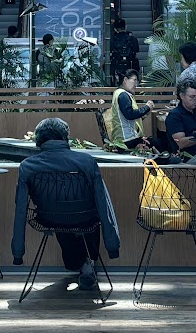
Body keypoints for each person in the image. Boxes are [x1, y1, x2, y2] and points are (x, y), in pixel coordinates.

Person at [10, 117, 120, 292]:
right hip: (86, 218)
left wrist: (18, 253)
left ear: (39, 139)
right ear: (65, 137)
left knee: (60, 208)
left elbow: (20, 210)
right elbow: (102, 203)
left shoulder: (27, 166)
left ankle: (76, 263)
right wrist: (112, 247)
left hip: (48, 219)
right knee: (88, 209)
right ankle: (88, 263)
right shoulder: (87, 161)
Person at [101, 69, 152, 151]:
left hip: (124, 138)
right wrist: (146, 107)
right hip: (127, 139)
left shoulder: (120, 93)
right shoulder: (123, 95)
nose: (136, 84)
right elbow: (130, 114)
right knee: (157, 143)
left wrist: (145, 113)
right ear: (125, 80)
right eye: (134, 80)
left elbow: (129, 118)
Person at [108, 16, 140, 82]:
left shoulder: (112, 40)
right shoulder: (133, 39)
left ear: (115, 29)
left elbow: (110, 51)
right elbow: (136, 50)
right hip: (131, 65)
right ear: (125, 27)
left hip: (116, 65)